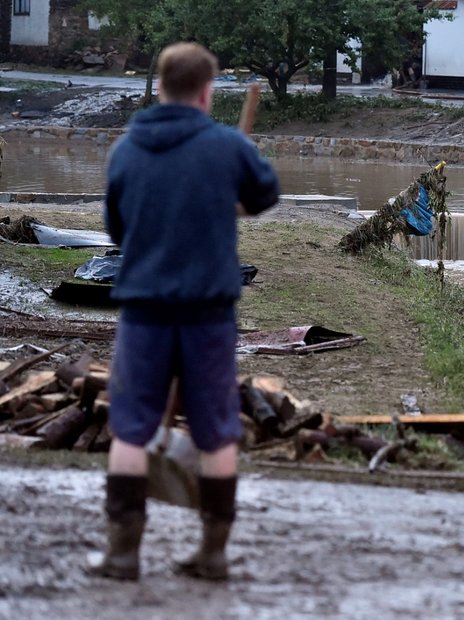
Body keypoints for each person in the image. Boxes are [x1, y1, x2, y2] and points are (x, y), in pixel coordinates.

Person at [87, 41, 280, 581]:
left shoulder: (126, 148)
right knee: (217, 428)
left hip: (144, 308)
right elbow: (266, 194)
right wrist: (235, 183)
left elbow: (117, 230)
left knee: (130, 428)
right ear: (206, 91)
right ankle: (213, 553)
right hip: (208, 310)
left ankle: (123, 554)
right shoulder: (226, 147)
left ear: (162, 87)